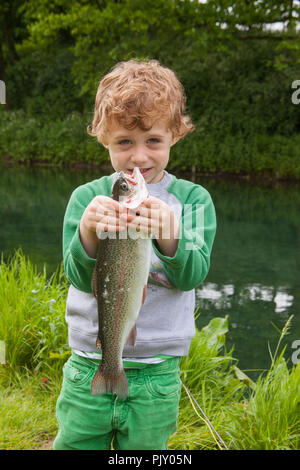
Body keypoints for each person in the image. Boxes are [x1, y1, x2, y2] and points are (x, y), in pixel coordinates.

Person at [53, 59, 216, 450]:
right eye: (124, 142)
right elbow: (77, 276)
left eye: (153, 142)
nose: (138, 158)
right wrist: (88, 232)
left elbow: (191, 276)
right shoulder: (87, 199)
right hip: (88, 364)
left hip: (158, 373)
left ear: (176, 135)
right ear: (103, 138)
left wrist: (169, 233)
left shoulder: (192, 201)